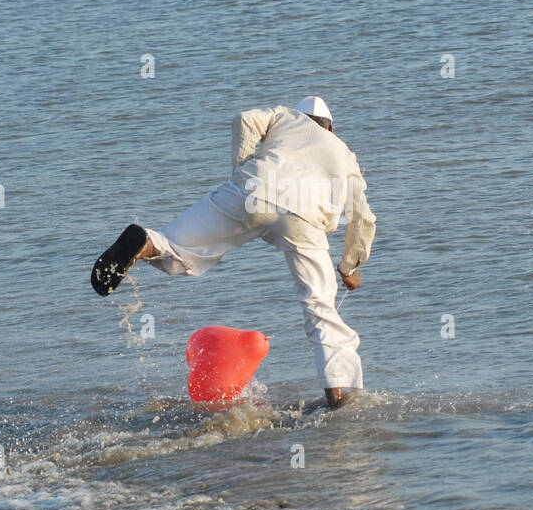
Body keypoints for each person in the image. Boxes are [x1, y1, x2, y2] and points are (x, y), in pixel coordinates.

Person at [91, 97, 376, 408]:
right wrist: (350, 266)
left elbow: (244, 119)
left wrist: (241, 167)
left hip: (252, 189)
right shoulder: (345, 156)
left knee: (180, 246)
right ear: (331, 127)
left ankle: (146, 241)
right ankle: (338, 397)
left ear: (302, 115)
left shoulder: (285, 116)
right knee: (320, 309)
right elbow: (363, 217)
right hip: (304, 220)